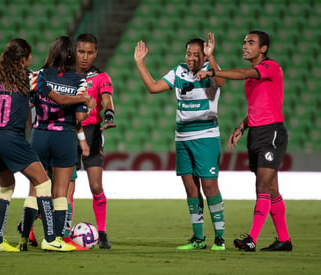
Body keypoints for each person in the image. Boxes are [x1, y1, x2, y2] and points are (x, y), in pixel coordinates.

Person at [0, 38, 93, 253]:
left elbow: (28, 102)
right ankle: (52, 238)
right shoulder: (32, 77)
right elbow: (64, 103)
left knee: (8, 187)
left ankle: (0, 240)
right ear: (24, 58)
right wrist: (84, 99)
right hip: (35, 136)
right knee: (47, 185)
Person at [197, 30, 292, 252]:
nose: (245, 46)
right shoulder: (252, 81)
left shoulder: (271, 67)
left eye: (251, 43)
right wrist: (242, 126)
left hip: (272, 134)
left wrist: (210, 69)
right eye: (244, 42)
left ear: (264, 48)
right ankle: (284, 240)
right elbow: (260, 108)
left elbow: (240, 73)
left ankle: (252, 239)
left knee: (261, 186)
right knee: (272, 190)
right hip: (256, 133)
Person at [134, 33, 226, 251]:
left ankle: (220, 238)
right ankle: (199, 238)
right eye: (188, 53)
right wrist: (139, 63)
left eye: (197, 54)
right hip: (182, 136)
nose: (192, 58)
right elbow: (153, 87)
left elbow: (221, 81)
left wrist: (211, 59)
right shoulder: (179, 71)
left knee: (209, 185)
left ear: (204, 56)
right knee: (190, 187)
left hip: (206, 136)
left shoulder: (211, 70)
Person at [20, 35, 94, 251]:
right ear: (72, 55)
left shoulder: (39, 75)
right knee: (60, 191)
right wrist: (85, 104)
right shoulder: (80, 81)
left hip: (39, 135)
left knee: (35, 189)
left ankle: (24, 239)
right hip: (64, 137)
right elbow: (80, 119)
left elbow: (29, 105)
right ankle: (54, 239)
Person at [71, 33, 116, 249]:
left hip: (92, 133)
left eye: (90, 52)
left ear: (96, 53)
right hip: (68, 131)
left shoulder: (101, 77)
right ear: (74, 51)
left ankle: (102, 231)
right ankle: (61, 232)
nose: (85, 57)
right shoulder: (65, 74)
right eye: (81, 51)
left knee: (96, 185)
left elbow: (107, 98)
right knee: (65, 186)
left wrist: (109, 115)